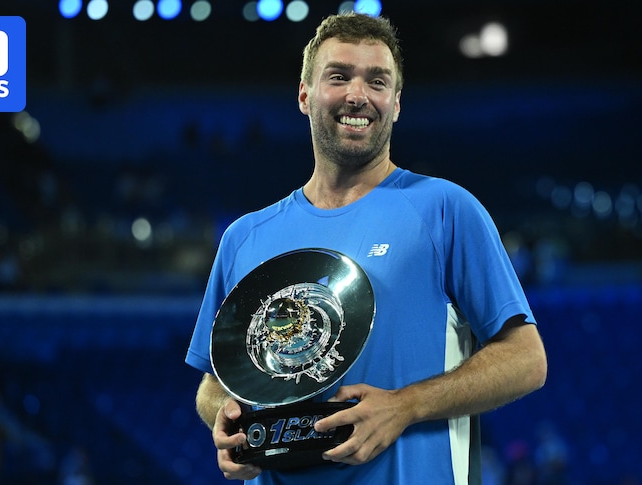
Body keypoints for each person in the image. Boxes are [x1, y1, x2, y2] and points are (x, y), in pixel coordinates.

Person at [185, 12, 547, 485]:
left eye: (377, 82)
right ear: (304, 95)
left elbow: (526, 359)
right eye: (339, 77)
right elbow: (212, 386)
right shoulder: (245, 237)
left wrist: (405, 406)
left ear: (396, 104)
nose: (359, 95)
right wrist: (226, 421)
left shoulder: (444, 209)